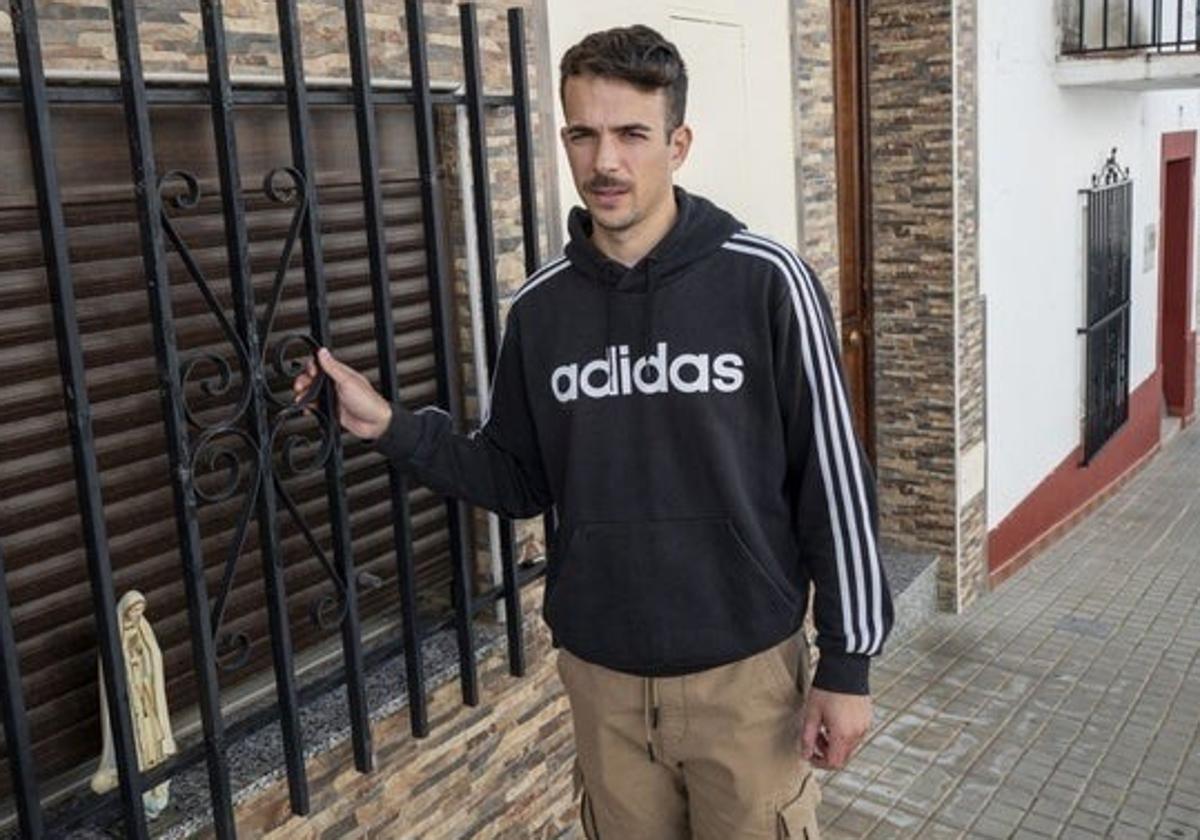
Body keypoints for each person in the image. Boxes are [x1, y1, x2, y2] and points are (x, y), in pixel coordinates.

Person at [294, 23, 892, 839]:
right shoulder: (541, 311)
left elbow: (834, 477)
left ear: (677, 143)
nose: (605, 161)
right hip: (603, 685)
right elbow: (516, 478)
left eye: (631, 134)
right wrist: (392, 427)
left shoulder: (764, 281)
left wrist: (847, 663)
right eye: (584, 133)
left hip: (746, 683)